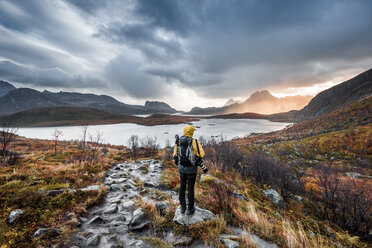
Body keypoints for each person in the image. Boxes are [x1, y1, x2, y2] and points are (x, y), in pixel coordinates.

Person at [173, 125, 208, 215]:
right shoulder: (194, 141)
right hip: (191, 170)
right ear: (192, 132)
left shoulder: (179, 141)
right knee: (190, 189)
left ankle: (182, 207)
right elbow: (202, 154)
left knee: (182, 187)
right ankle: (190, 209)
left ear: (184, 131)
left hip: (181, 169)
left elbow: (175, 155)